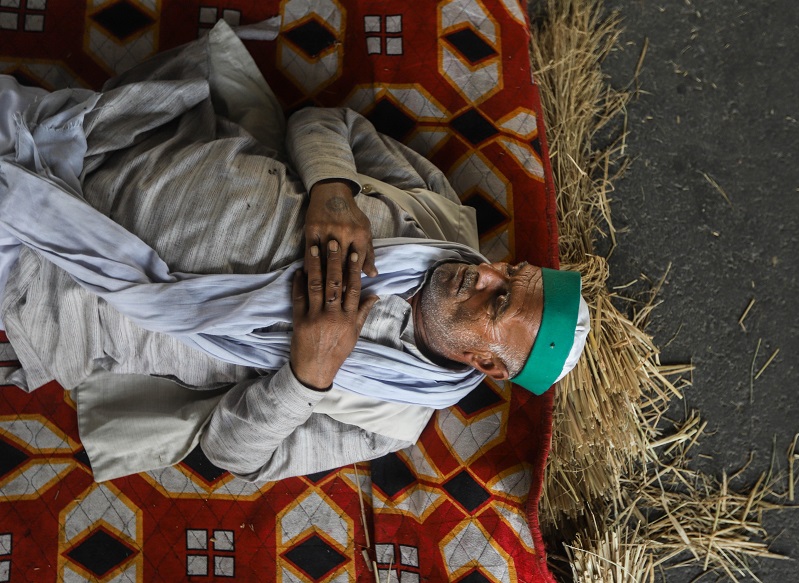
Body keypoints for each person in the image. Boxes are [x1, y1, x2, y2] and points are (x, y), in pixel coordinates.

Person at [0, 22, 589, 482]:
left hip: (52, 291)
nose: (482, 272)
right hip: (100, 147)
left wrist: (308, 375)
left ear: (484, 363)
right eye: (508, 268)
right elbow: (328, 124)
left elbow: (233, 455)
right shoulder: (438, 210)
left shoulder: (389, 418)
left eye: (498, 299)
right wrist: (335, 191)